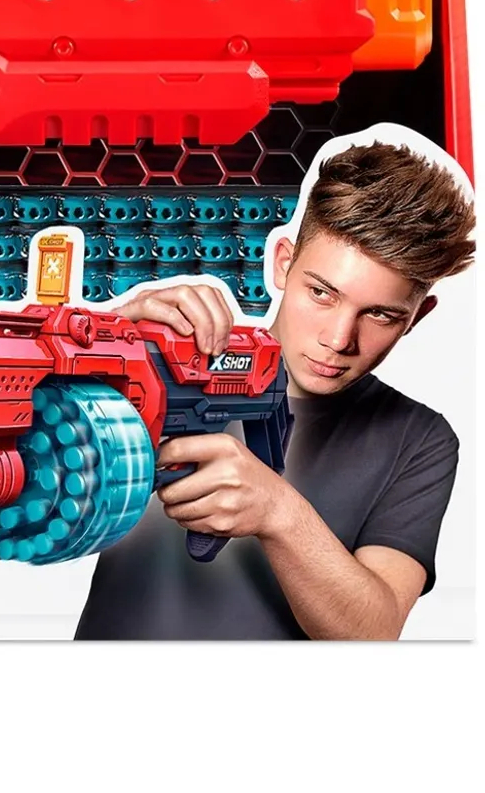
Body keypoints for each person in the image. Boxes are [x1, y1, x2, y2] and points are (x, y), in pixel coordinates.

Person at [65, 142, 472, 639]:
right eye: (321, 293)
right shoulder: (161, 361)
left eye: (381, 315)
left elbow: (373, 632)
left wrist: (279, 512)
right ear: (283, 262)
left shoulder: (419, 440)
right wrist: (93, 358)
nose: (338, 339)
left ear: (417, 317)